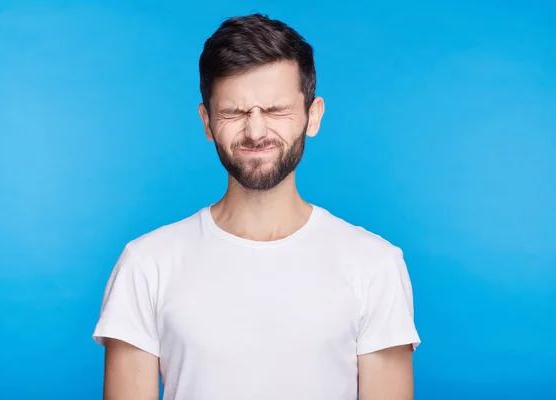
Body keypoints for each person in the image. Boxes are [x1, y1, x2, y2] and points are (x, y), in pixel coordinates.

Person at [92, 13, 421, 400]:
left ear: (312, 116)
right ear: (207, 122)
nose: (256, 131)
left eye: (276, 110)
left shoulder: (375, 265)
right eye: (234, 113)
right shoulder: (146, 264)